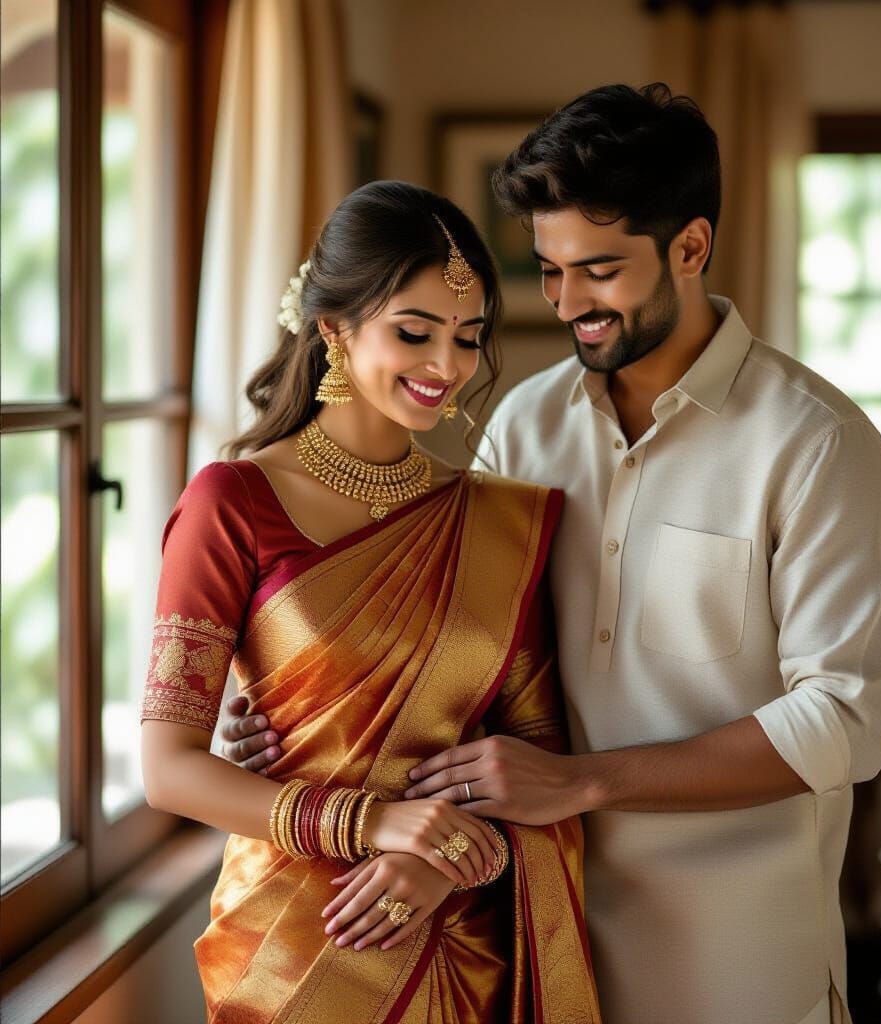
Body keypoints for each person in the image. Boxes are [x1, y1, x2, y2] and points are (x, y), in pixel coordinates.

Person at [222, 86, 881, 1024]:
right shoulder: (527, 423)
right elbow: (465, 659)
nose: (567, 302)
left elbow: (846, 720)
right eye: (548, 271)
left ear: (691, 248)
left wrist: (585, 781)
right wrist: (297, 727)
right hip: (527, 930)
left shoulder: (818, 443)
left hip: (738, 958)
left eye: (599, 271)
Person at [140, 180, 600, 1024]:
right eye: (414, 332)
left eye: (468, 337)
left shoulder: (500, 521)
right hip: (290, 946)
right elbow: (168, 769)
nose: (447, 367)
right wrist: (373, 823)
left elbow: (536, 754)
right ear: (332, 326)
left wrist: (451, 856)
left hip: (461, 932)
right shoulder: (231, 503)